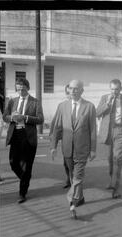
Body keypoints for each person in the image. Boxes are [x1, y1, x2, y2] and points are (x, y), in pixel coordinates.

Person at [50, 80, 97, 219]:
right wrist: (53, 146)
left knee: (78, 176)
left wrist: (93, 149)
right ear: (68, 90)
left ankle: (71, 201)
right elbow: (57, 128)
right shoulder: (62, 106)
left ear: (82, 91)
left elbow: (93, 130)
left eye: (77, 88)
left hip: (83, 148)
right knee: (72, 176)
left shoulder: (89, 107)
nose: (74, 91)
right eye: (71, 88)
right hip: (67, 148)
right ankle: (79, 197)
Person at [3, 78, 44, 203]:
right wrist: (13, 117)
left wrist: (25, 117)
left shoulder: (35, 102)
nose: (20, 91)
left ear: (28, 88)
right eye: (18, 89)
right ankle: (25, 179)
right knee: (13, 162)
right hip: (15, 135)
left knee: (27, 166)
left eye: (23, 89)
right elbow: (5, 116)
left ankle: (22, 193)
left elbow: (40, 119)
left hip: (28, 137)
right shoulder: (12, 101)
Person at [96, 79, 122, 199]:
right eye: (112, 89)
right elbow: (97, 113)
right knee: (110, 159)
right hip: (108, 131)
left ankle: (115, 188)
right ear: (109, 89)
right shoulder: (104, 98)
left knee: (118, 158)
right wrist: (107, 104)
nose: (114, 92)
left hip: (120, 131)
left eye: (116, 89)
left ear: (120, 89)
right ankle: (112, 180)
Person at [49, 84, 71, 189]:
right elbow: (57, 125)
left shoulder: (85, 106)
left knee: (77, 163)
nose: (70, 94)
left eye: (72, 91)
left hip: (80, 140)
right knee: (67, 162)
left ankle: (75, 181)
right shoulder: (62, 106)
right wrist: (53, 145)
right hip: (67, 140)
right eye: (67, 92)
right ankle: (70, 178)